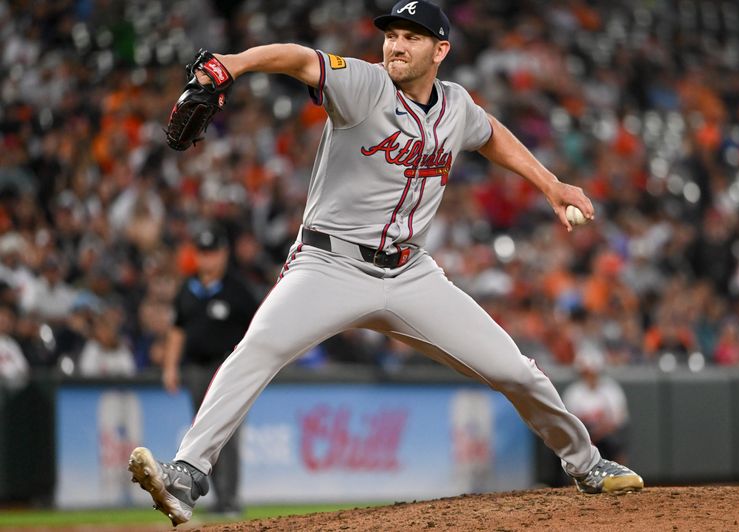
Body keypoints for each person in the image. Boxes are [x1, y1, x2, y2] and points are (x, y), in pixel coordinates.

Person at [128, 1, 643, 525]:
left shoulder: (456, 106)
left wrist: (552, 185)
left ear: (440, 50)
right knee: (258, 348)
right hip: (328, 265)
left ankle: (586, 463)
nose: (396, 45)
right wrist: (231, 64)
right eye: (392, 34)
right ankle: (187, 473)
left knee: (515, 370)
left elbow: (492, 136)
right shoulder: (365, 85)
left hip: (411, 273)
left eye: (411, 37)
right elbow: (299, 58)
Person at [160, 221, 259, 517]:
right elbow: (176, 330)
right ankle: (220, 500)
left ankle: (230, 501)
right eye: (203, 252)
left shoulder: (238, 290)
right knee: (206, 437)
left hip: (227, 370)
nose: (208, 258)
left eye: (212, 251)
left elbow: (257, 330)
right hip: (195, 370)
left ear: (224, 253)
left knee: (226, 435)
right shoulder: (187, 290)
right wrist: (169, 366)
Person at [563, 343, 631, 464]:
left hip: (606, 434)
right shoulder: (574, 392)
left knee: (614, 442)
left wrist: (599, 433)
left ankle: (623, 477)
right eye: (587, 372)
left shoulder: (611, 389)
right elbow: (569, 423)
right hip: (583, 435)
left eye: (593, 372)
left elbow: (618, 420)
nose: (590, 375)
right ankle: (573, 481)